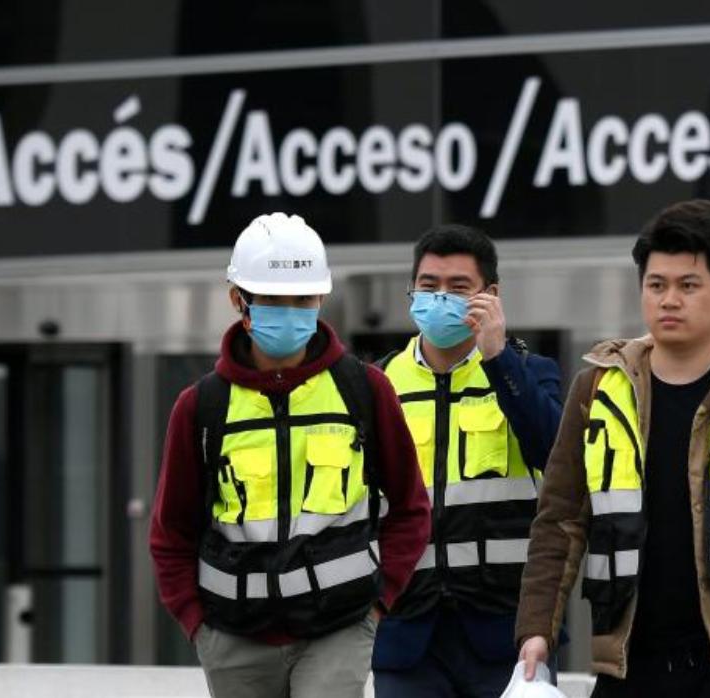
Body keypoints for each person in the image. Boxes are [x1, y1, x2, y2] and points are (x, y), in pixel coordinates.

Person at [516, 199, 710, 697]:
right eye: (656, 285)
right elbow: (559, 521)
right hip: (626, 667)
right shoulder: (598, 388)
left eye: (688, 286)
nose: (669, 300)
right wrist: (537, 629)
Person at [149, 212, 431, 698]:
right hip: (232, 638)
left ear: (321, 297)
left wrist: (377, 605)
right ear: (239, 299)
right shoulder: (201, 407)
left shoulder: (363, 390)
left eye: (303, 299)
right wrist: (199, 625)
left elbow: (410, 507)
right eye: (274, 300)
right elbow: (171, 532)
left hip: (339, 628)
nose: (291, 312)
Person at [373, 224, 564, 698]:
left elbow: (558, 459)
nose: (441, 299)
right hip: (406, 636)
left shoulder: (530, 373)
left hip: (507, 634)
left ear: (491, 295)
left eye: (459, 287)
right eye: (429, 286)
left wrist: (499, 358)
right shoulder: (376, 385)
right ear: (411, 293)